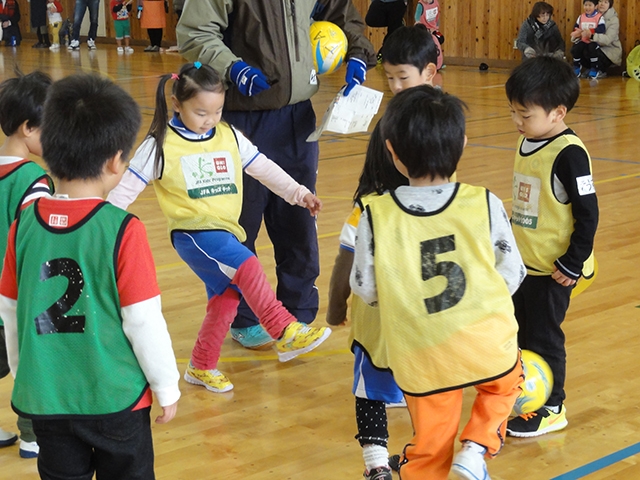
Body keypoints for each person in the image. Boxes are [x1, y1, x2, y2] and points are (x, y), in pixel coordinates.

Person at [107, 62, 331, 393]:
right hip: (193, 235)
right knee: (248, 265)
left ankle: (201, 365)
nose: (210, 119)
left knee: (226, 298)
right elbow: (125, 190)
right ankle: (284, 329)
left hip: (225, 231)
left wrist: (299, 193)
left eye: (217, 111)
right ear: (176, 103)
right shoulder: (160, 144)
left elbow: (264, 168)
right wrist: (99, 224)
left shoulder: (228, 135)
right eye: (200, 112)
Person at [0, 73, 181, 479]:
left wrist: (23, 371)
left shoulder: (23, 226)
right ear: (116, 161)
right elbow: (143, 319)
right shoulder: (122, 228)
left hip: (46, 398)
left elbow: (10, 310)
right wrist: (166, 385)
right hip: (114, 399)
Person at [176, 0, 376, 351]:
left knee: (297, 218)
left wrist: (357, 49)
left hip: (296, 118)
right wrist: (232, 67)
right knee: (241, 223)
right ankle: (245, 318)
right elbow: (195, 32)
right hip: (240, 119)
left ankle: (297, 314)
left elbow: (339, 12)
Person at [349, 85, 525, 480]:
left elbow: (365, 287)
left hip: (421, 353)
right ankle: (477, 447)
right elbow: (513, 271)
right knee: (506, 384)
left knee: (430, 441)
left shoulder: (376, 215)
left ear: (391, 151)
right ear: (462, 144)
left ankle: (430, 469)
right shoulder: (485, 201)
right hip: (484, 342)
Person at [326, 25, 438, 480]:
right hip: (392, 280)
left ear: (430, 72)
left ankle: (418, 455)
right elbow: (349, 246)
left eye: (402, 78)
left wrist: (337, 302)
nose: (393, 87)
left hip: (410, 282)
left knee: (402, 381)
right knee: (378, 378)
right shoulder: (390, 132)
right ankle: (379, 465)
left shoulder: (428, 126)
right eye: (388, 78)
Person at [505, 56, 598, 437]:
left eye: (525, 115)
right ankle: (526, 393)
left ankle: (553, 404)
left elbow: (588, 216)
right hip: (525, 265)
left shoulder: (570, 155)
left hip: (555, 270)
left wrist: (572, 262)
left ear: (558, 112)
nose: (517, 122)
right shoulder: (529, 140)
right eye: (514, 112)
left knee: (545, 338)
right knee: (521, 334)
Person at [0, 70, 53, 459]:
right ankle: (32, 436)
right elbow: (36, 242)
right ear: (27, 127)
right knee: (29, 365)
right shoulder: (33, 180)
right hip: (15, 293)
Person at [583, 0, 623, 78]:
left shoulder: (614, 20)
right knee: (579, 48)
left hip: (609, 50)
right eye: (600, 1)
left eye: (606, 2)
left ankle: (600, 70)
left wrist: (592, 36)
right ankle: (591, 68)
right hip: (594, 45)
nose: (602, 4)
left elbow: (607, 40)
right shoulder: (591, 15)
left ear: (610, 4)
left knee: (591, 49)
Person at [569, 0, 604, 78]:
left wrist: (590, 32)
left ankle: (594, 68)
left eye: (590, 5)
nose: (587, 7)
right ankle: (576, 67)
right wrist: (576, 33)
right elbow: (576, 27)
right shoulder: (581, 17)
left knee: (592, 49)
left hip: (593, 40)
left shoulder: (599, 17)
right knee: (576, 48)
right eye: (586, 5)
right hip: (582, 40)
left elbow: (601, 29)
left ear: (596, 6)